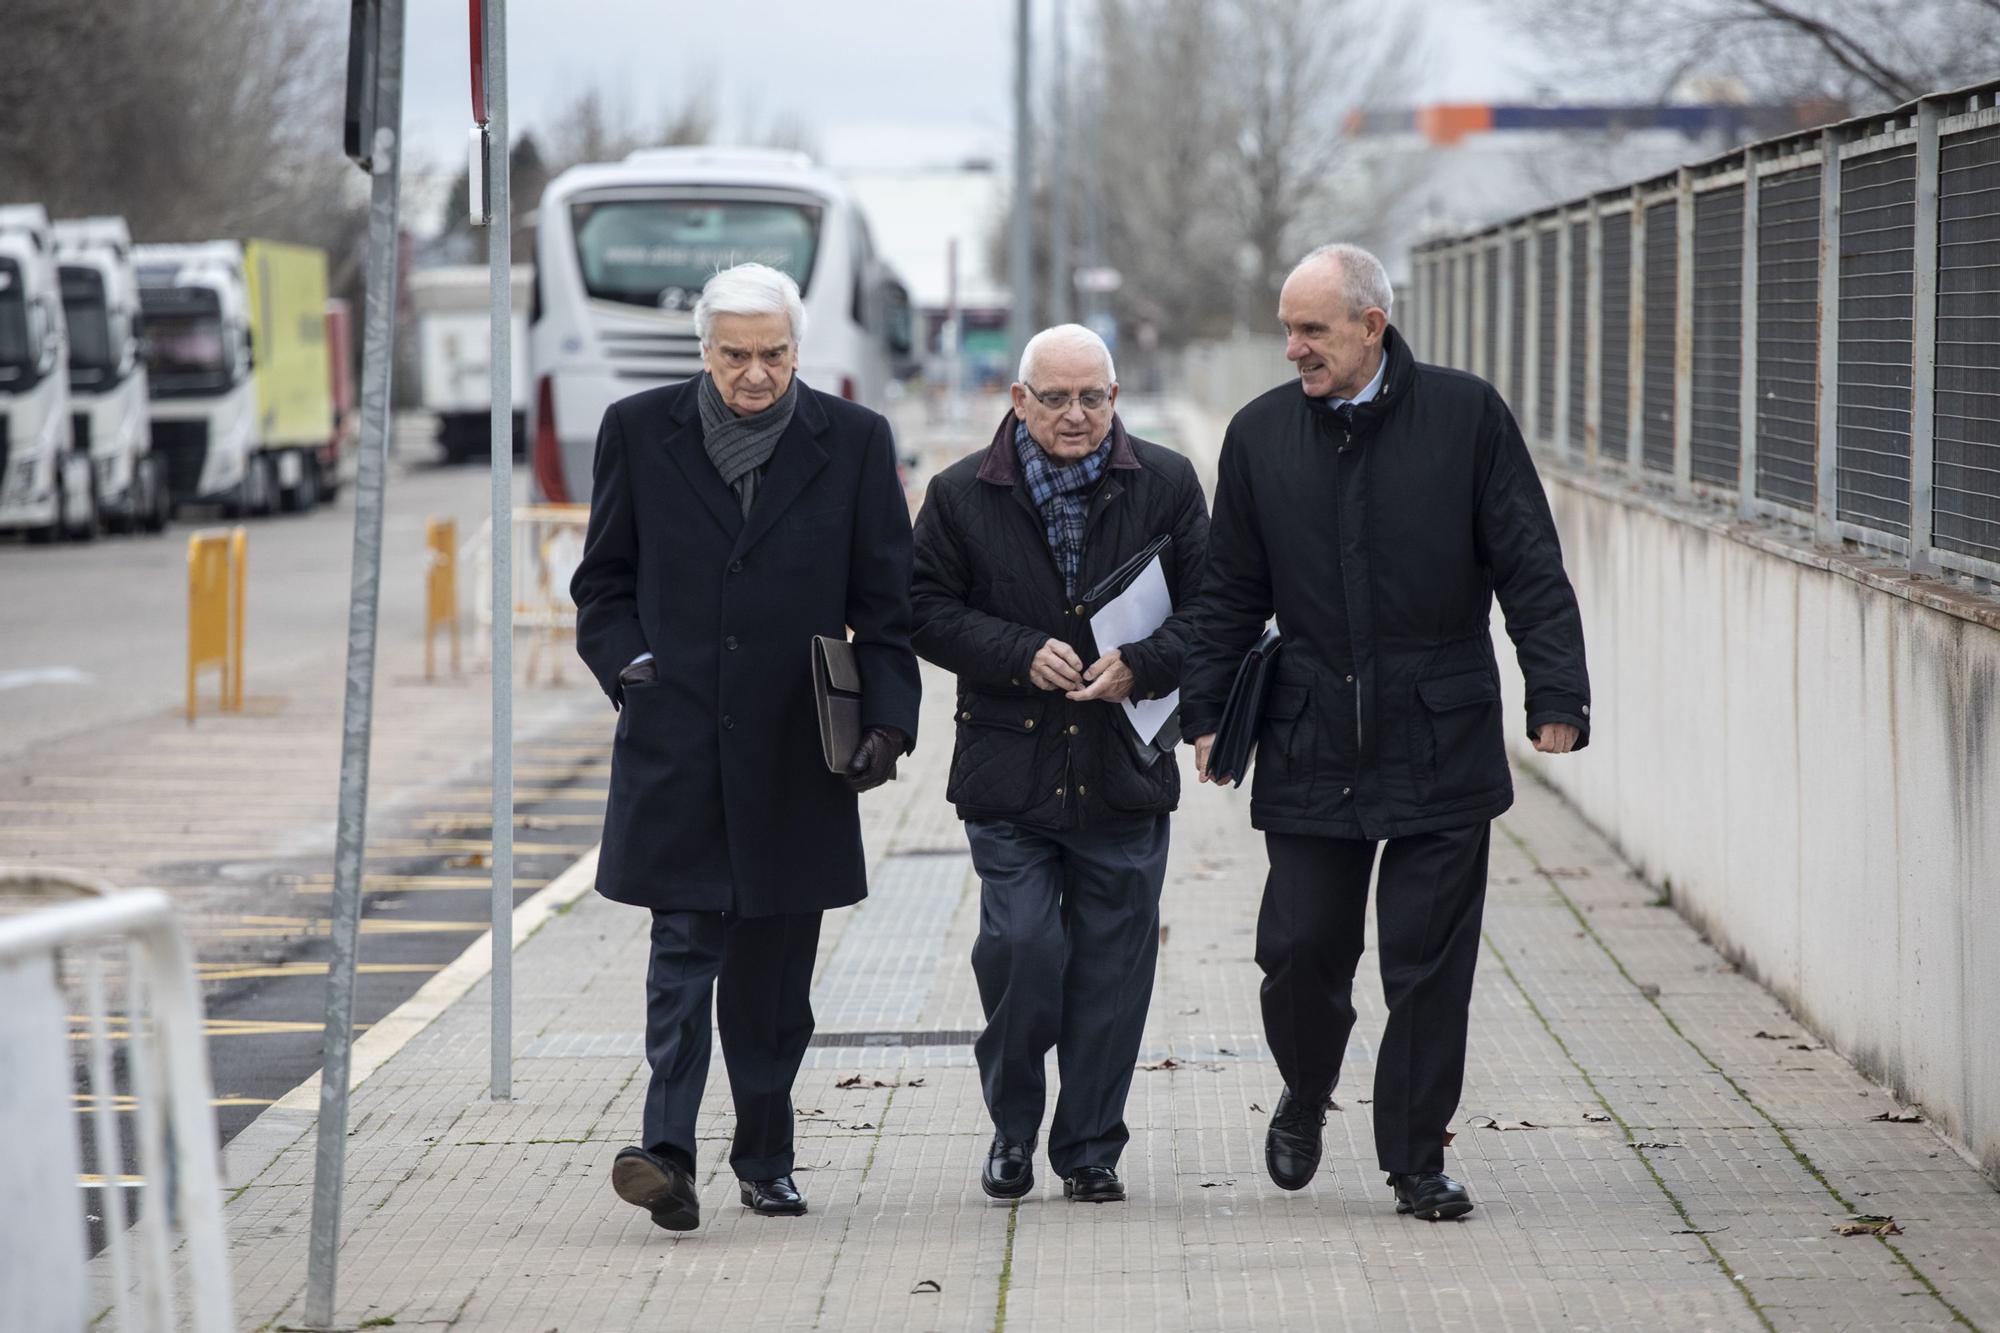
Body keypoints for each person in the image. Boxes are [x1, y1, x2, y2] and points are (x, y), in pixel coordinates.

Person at [1182, 243, 1590, 1221]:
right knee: (1299, 950)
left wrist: (1556, 695)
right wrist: (1202, 712)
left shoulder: (1465, 417)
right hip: (1310, 728)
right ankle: (1304, 1085)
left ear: (1371, 324)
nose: (1292, 348)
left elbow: (1527, 563)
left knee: (1426, 964)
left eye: (1311, 330)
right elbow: (1227, 590)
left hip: (1437, 729)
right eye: (1286, 328)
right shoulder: (1259, 435)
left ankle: (1414, 1160)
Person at [571, 262, 921, 1231]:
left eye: (772, 354)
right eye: (735, 356)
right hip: (676, 744)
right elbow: (601, 585)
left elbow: (885, 608)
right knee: (680, 954)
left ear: (798, 350)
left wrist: (886, 723)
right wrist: (631, 666)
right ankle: (666, 1152)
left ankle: (765, 1157)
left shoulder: (850, 442)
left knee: (772, 983)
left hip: (793, 755)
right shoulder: (639, 432)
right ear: (704, 352)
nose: (755, 374)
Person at [911, 324, 1209, 1204]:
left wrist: (1147, 663)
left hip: (1125, 768)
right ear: (1019, 401)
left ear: (1115, 399)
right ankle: (1012, 1125)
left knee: (1114, 970)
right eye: (1056, 398)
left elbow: (1218, 606)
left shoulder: (1166, 482)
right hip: (1012, 775)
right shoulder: (961, 493)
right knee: (1023, 947)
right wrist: (1013, 650)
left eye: (1093, 398)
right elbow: (921, 608)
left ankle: (1088, 1148)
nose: (1075, 415)